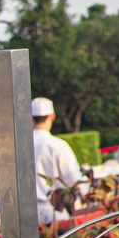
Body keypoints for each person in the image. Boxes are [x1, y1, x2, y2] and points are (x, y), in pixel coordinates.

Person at [30, 97, 83, 227]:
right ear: (52, 116)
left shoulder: (19, 146)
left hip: (27, 215)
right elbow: (74, 181)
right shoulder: (57, 145)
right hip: (55, 213)